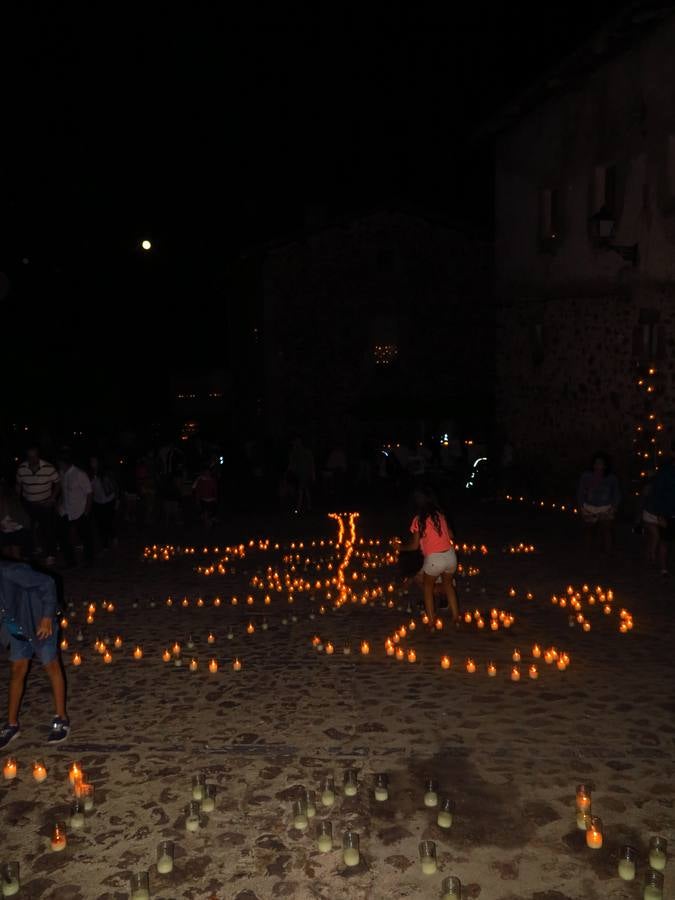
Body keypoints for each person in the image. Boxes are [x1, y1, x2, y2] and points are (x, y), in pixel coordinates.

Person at [0, 559, 69, 748]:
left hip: (39, 622)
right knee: (17, 670)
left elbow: (47, 583)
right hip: (16, 626)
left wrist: (47, 617)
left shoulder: (10, 570)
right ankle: (12, 724)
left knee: (51, 664)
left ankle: (61, 718)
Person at [397, 487, 460, 627]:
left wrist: (399, 548)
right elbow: (451, 536)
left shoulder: (418, 520)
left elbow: (413, 546)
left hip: (434, 560)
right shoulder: (440, 515)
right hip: (450, 556)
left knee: (427, 588)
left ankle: (431, 621)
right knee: (449, 585)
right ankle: (456, 618)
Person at [15, 445, 60, 565]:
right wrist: (17, 501)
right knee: (27, 529)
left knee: (48, 530)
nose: (32, 459)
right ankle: (31, 552)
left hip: (45, 504)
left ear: (38, 456)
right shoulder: (22, 468)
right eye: (30, 457)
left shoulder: (48, 467)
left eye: (34, 456)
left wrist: (52, 498)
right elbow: (19, 485)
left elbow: (57, 483)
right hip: (28, 504)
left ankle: (50, 554)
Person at [577, 452, 621, 554]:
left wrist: (614, 507)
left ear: (605, 465)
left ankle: (607, 553)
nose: (598, 465)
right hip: (589, 507)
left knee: (607, 531)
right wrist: (581, 506)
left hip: (606, 507)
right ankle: (587, 552)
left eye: (601, 463)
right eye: (596, 463)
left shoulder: (611, 478)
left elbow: (616, 493)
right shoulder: (586, 476)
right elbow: (580, 492)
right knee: (588, 531)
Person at [58, 449, 94, 567]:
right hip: (66, 510)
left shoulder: (79, 474)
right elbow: (63, 490)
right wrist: (60, 504)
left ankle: (89, 559)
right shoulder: (62, 473)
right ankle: (70, 561)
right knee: (64, 536)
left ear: (65, 463)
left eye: (60, 463)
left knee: (85, 536)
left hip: (79, 510)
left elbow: (89, 493)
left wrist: (86, 512)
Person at [644, 444, 675, 575]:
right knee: (664, 541)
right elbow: (658, 493)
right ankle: (663, 568)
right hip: (667, 511)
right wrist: (660, 515)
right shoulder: (666, 471)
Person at [89, 457, 118, 550]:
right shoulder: (90, 474)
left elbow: (114, 486)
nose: (92, 463)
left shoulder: (106, 473)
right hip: (97, 501)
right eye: (91, 461)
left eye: (94, 461)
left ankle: (113, 536)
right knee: (100, 523)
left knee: (108, 521)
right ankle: (104, 543)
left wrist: (117, 500)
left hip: (109, 500)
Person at [0, 483, 32, 559]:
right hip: (6, 531)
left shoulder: (13, 501)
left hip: (16, 529)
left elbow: (24, 520)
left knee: (15, 553)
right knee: (7, 553)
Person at [288, 437, 315, 513]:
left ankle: (299, 507)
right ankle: (308, 506)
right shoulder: (295, 452)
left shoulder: (306, 452)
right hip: (299, 474)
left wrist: (312, 474)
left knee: (302, 490)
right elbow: (292, 464)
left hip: (305, 474)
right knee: (305, 490)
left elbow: (311, 463)